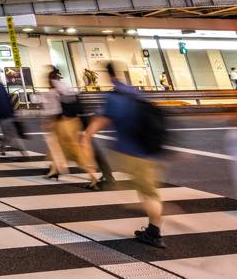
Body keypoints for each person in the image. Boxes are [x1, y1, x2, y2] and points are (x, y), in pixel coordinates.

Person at [85, 62, 166, 248]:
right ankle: (153, 227)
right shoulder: (134, 92)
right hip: (149, 147)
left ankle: (155, 232)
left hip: (132, 151)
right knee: (147, 191)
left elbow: (101, 121)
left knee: (148, 193)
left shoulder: (114, 97)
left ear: (106, 74)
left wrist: (87, 135)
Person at [43, 69, 99, 188]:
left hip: (63, 125)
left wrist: (48, 123)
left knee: (74, 152)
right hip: (74, 122)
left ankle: (93, 177)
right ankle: (53, 171)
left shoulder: (52, 92)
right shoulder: (66, 88)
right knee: (58, 149)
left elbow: (54, 111)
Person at [0, 68, 27, 157]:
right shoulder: (1, 86)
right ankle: (4, 148)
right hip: (10, 112)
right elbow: (7, 98)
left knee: (10, 133)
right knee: (10, 133)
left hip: (2, 114)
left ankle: (23, 153)